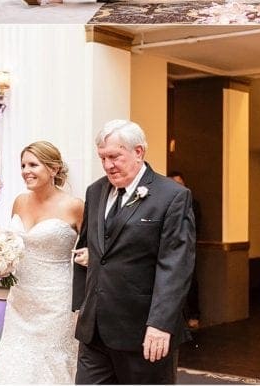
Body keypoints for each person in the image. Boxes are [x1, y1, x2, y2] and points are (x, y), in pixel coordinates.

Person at [72, 120, 196, 384]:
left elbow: (174, 265)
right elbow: (93, 250)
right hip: (95, 329)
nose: (107, 165)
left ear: (138, 152)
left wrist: (161, 324)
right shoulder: (95, 191)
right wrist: (81, 306)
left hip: (144, 331)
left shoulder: (172, 196)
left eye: (114, 157)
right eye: (102, 158)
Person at [0, 141, 84, 384]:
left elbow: (92, 250)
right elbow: (13, 244)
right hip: (21, 297)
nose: (25, 170)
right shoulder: (20, 201)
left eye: (33, 164)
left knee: (50, 361)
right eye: (23, 165)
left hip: (56, 301)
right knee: (14, 358)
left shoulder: (75, 206)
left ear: (53, 169)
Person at [169, 171, 201, 329]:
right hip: (167, 252)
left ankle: (194, 315)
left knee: (191, 284)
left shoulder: (193, 204)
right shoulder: (165, 203)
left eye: (179, 184)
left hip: (187, 250)